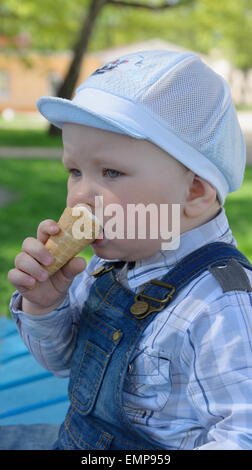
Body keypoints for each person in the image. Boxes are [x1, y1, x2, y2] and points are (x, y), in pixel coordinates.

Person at [8, 50, 252, 450]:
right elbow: (62, 363)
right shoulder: (106, 264)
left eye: (111, 173)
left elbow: (242, 433)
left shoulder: (220, 306)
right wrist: (45, 306)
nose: (81, 196)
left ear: (194, 191)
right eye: (75, 171)